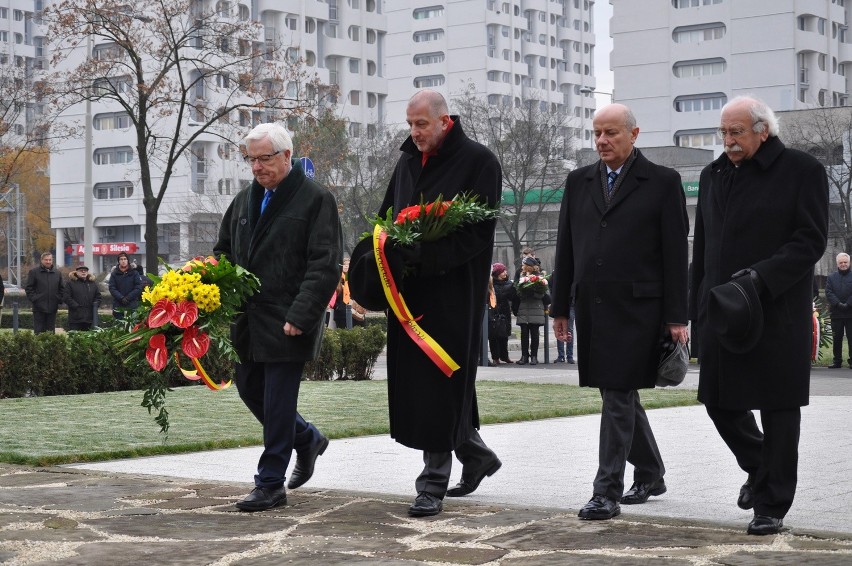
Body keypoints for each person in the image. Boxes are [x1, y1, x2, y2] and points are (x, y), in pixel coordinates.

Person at [349, 89, 502, 517]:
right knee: (420, 387)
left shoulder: (479, 161)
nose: (414, 133)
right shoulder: (406, 160)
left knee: (441, 382)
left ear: (444, 121)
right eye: (410, 124)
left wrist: (425, 256)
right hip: (407, 293)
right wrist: (376, 253)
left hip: (454, 294)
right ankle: (475, 455)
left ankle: (432, 482)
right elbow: (387, 217)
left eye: (422, 124)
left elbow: (477, 234)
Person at [690, 96, 828, 535]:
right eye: (723, 133)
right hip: (721, 311)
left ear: (762, 130)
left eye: (737, 133)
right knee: (717, 401)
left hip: (776, 310)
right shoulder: (712, 175)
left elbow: (810, 241)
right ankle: (760, 467)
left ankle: (772, 504)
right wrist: (697, 308)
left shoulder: (802, 170)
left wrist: (759, 279)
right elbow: (703, 249)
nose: (728, 142)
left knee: (779, 410)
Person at [551, 103, 689, 521]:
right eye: (596, 133)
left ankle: (605, 490)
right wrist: (559, 306)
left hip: (639, 310)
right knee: (618, 393)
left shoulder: (664, 182)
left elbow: (674, 253)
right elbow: (567, 247)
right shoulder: (579, 182)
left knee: (616, 393)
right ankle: (650, 470)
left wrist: (677, 316)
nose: (602, 141)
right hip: (591, 307)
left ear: (634, 134)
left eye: (611, 133)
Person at [214, 122, 342, 512]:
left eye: (264, 158)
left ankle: (270, 484)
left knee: (277, 402)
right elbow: (223, 253)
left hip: (288, 321)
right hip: (248, 322)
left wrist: (302, 313)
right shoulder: (243, 201)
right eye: (251, 160)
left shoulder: (315, 199)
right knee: (250, 390)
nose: (256, 167)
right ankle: (307, 439)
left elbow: (325, 264)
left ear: (287, 156)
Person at [512, 256, 550, 366]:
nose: (522, 266)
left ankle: (534, 356)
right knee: (524, 333)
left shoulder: (540, 278)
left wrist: (534, 292)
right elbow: (517, 292)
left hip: (536, 308)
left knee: (534, 334)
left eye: (524, 265)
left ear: (529, 266)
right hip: (524, 307)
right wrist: (522, 291)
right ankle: (524, 356)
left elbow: (544, 294)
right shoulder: (521, 276)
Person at [25, 252, 66, 334]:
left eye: (50, 260)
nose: (48, 262)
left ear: (52, 260)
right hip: (38, 308)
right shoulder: (34, 272)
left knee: (50, 332)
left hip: (52, 307)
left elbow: (62, 289)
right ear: (41, 260)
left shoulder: (57, 273)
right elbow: (29, 288)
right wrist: (35, 299)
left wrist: (58, 299)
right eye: (46, 260)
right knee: (39, 332)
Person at [825, 252, 852, 369]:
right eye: (841, 262)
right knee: (837, 339)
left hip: (851, 313)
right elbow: (828, 292)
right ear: (837, 264)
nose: (843, 264)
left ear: (849, 263)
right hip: (836, 313)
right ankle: (837, 361)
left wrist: (848, 304)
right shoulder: (831, 277)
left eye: (845, 262)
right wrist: (838, 304)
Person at [488, 263, 514, 365]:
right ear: (498, 273)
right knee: (493, 335)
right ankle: (495, 357)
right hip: (493, 311)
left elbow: (513, 298)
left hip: (505, 311)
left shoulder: (509, 284)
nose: (505, 273)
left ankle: (505, 356)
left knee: (505, 334)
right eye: (503, 271)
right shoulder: (491, 284)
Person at [108, 252, 143, 320]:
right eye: (121, 259)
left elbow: (138, 287)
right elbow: (112, 288)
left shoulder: (134, 273)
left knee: (132, 327)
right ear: (119, 261)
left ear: (127, 260)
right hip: (118, 305)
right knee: (119, 327)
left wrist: (128, 297)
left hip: (132, 305)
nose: (123, 261)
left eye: (125, 259)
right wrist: (121, 298)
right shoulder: (114, 274)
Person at [65, 265, 101, 331]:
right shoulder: (70, 283)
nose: (83, 272)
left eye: (85, 270)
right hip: (75, 317)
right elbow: (66, 297)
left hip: (89, 318)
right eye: (81, 270)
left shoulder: (92, 284)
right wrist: (76, 306)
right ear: (76, 272)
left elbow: (98, 296)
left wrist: (95, 305)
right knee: (75, 339)